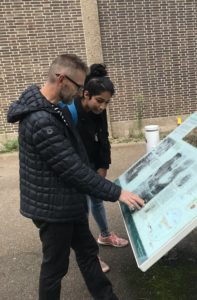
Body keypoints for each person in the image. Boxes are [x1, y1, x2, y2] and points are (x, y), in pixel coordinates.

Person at [7, 54, 144, 300]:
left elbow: (78, 156)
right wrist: (117, 192)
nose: (81, 91)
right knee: (55, 268)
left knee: (88, 252)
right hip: (52, 209)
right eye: (79, 85)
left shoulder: (53, 108)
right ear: (62, 79)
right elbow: (72, 168)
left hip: (68, 203)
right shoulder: (40, 120)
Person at [62, 64, 128, 273]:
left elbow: (104, 138)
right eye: (99, 101)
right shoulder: (68, 111)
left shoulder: (99, 110)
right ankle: (91, 256)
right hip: (75, 168)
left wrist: (103, 164)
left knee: (97, 201)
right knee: (81, 211)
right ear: (85, 93)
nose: (103, 107)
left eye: (107, 102)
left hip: (91, 163)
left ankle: (105, 235)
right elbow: (64, 150)